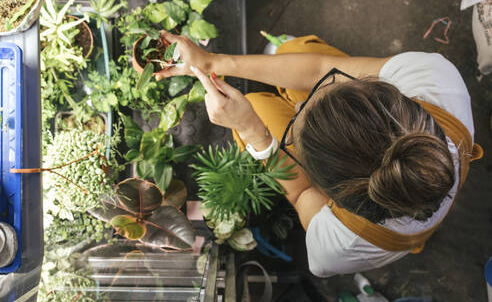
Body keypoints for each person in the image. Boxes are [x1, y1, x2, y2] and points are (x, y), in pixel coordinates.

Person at [156, 32, 483, 277]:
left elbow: (300, 192)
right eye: (333, 89)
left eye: (299, 115)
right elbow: (323, 68)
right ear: (383, 94)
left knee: (256, 107)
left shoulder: (340, 247)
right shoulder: (435, 81)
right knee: (295, 53)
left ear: (331, 195)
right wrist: (214, 62)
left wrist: (254, 132)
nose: (298, 105)